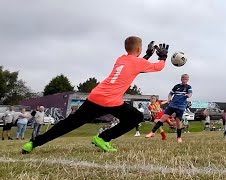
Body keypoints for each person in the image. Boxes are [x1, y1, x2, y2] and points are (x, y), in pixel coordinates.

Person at [22, 36, 169, 154]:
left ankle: (33, 143)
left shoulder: (121, 59)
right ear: (138, 49)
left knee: (68, 124)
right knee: (135, 117)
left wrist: (148, 54)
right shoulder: (137, 62)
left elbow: (137, 64)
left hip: (96, 97)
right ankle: (103, 138)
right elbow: (158, 67)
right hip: (111, 101)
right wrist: (162, 56)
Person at [145, 74, 192, 143]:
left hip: (181, 107)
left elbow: (190, 94)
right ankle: (152, 132)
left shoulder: (188, 87)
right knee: (162, 118)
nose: (185, 80)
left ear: (188, 80)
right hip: (172, 105)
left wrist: (188, 95)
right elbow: (170, 93)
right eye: (183, 79)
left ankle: (179, 137)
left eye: (186, 79)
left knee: (178, 122)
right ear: (181, 79)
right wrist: (169, 99)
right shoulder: (176, 86)